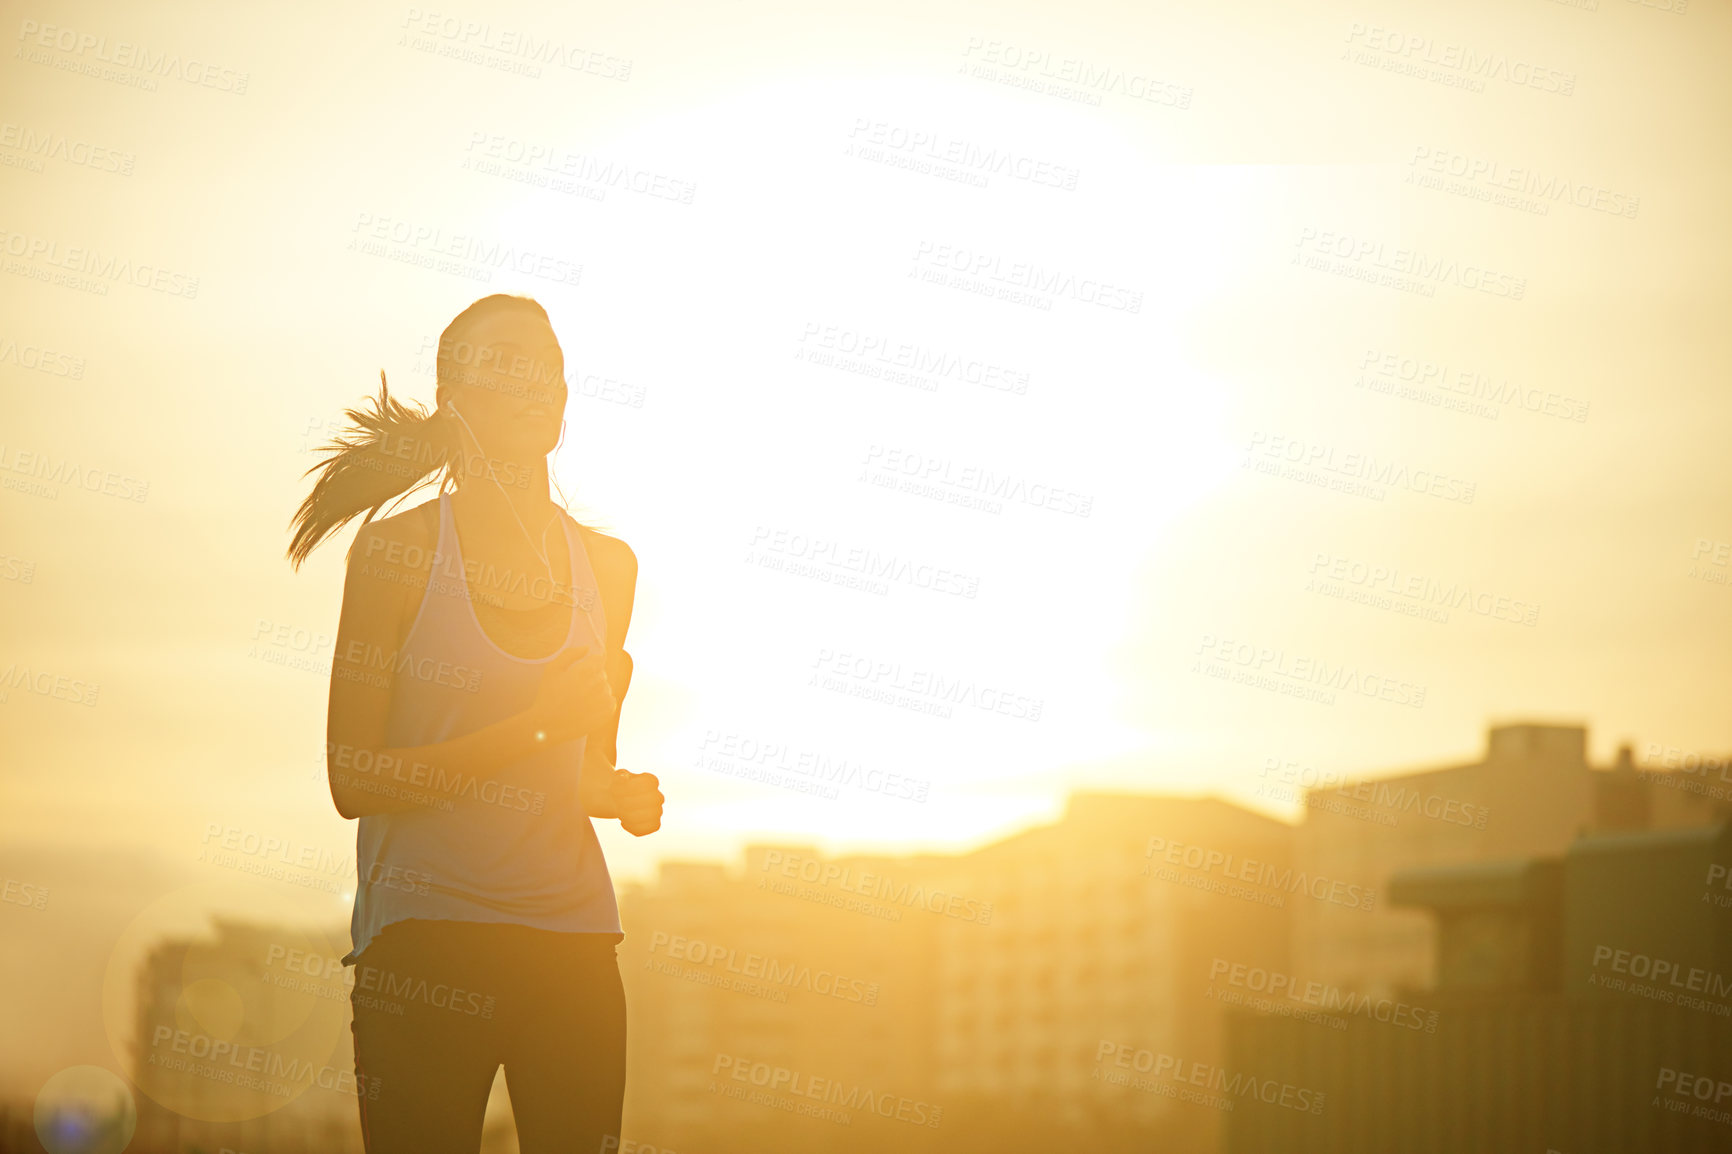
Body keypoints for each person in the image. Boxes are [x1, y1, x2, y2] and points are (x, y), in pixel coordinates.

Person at [286, 293, 663, 1153]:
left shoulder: (610, 568)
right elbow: (354, 780)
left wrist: (622, 792)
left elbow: (576, 773)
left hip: (572, 945)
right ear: (452, 394)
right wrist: (534, 725)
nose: (535, 383)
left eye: (550, 367)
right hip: (423, 947)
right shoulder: (396, 552)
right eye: (506, 363)